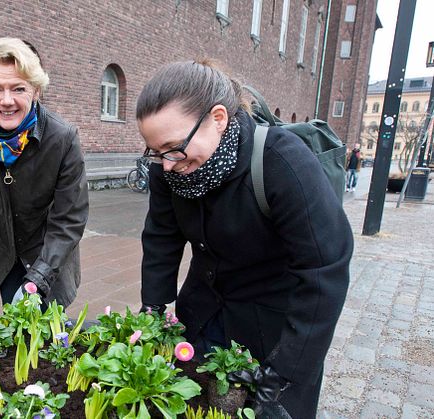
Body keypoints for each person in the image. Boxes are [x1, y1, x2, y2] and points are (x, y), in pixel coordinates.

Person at [135, 61, 353, 418]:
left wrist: (282, 377)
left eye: (173, 148)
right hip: (203, 314)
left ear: (218, 118)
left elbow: (323, 269)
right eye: (155, 152)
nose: (166, 164)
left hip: (276, 333)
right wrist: (154, 310)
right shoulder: (168, 167)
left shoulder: (282, 162)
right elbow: (161, 237)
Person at [0, 37, 89, 308]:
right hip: (6, 253)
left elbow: (69, 219)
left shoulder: (62, 138)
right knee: (15, 331)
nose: (6, 101)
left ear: (35, 91)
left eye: (18, 88)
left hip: (50, 252)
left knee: (48, 336)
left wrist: (39, 277)